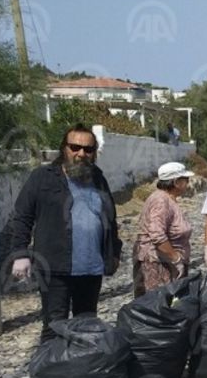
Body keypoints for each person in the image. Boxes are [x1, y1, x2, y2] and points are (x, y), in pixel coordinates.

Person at [7, 124, 122, 343]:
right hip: (55, 267)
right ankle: (49, 375)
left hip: (91, 268)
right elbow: (22, 216)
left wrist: (114, 252)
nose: (81, 154)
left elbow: (110, 219)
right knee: (55, 326)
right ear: (64, 148)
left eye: (88, 149)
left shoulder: (98, 179)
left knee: (87, 326)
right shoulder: (42, 177)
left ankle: (78, 373)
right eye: (75, 147)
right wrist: (20, 254)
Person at [132, 162, 194, 298]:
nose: (188, 183)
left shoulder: (168, 199)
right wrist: (176, 258)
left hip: (166, 263)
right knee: (158, 304)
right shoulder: (160, 201)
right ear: (176, 182)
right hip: (158, 264)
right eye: (185, 179)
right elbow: (157, 234)